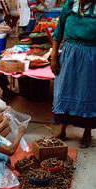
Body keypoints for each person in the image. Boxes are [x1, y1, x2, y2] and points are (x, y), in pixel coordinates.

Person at [51, 0, 96, 148]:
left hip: (91, 57)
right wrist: (54, 57)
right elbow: (58, 33)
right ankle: (63, 129)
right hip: (69, 55)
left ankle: (87, 132)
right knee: (64, 90)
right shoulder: (70, 5)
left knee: (87, 93)